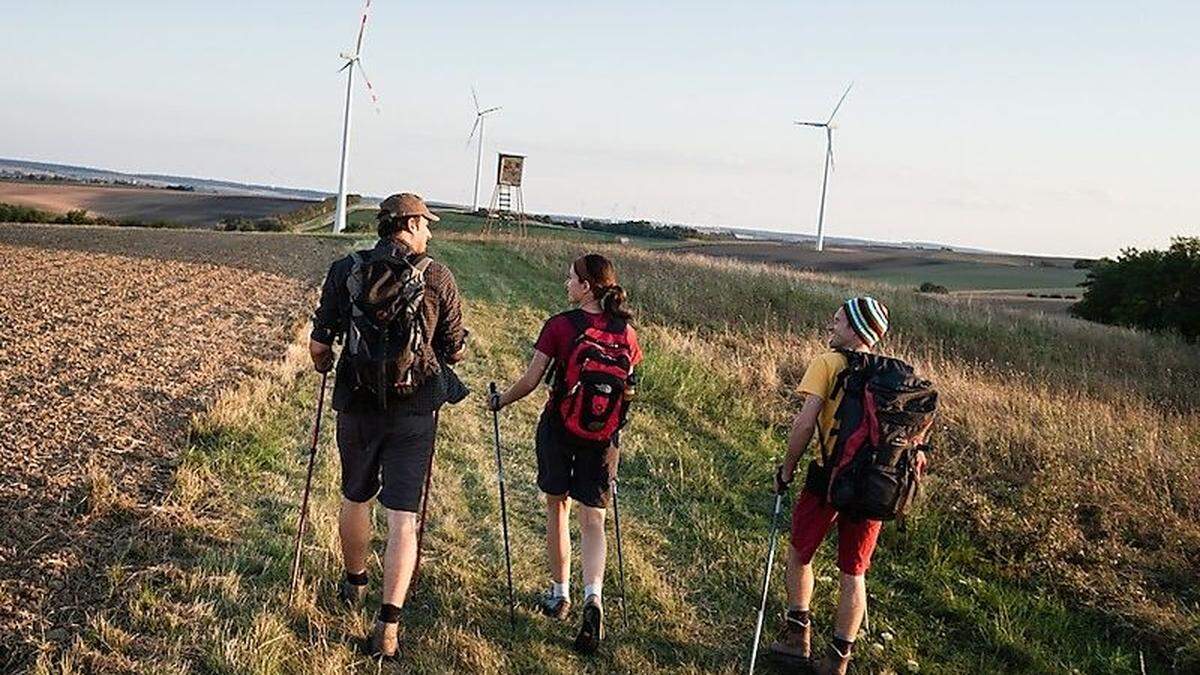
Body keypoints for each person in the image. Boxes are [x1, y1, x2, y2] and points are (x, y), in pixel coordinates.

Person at [309, 193, 467, 659]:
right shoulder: (437, 276)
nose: (431, 233)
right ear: (411, 224)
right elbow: (454, 349)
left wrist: (328, 365)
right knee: (403, 516)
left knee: (355, 495)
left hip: (356, 404)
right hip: (414, 409)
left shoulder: (346, 269)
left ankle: (354, 583)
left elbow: (320, 345)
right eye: (427, 225)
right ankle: (389, 624)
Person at [488, 253, 642, 655]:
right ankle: (594, 598)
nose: (565, 283)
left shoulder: (560, 325)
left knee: (557, 508)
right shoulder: (626, 332)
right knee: (594, 520)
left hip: (559, 428)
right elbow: (628, 387)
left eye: (571, 278)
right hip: (603, 437)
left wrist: (500, 401)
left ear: (587, 286)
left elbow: (532, 379)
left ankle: (559, 594)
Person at [768, 297, 929, 675]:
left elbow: (804, 425)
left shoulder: (827, 363)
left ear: (856, 329)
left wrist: (787, 470)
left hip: (827, 477)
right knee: (853, 573)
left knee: (800, 553)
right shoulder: (895, 377)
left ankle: (797, 638)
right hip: (873, 484)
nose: (831, 324)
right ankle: (838, 662)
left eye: (838, 320)